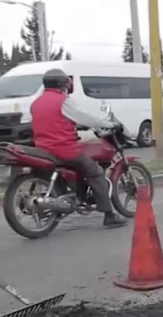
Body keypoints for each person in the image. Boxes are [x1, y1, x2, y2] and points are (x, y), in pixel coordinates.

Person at [29, 68, 126, 228]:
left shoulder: (36, 103)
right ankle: (109, 215)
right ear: (62, 84)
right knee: (96, 173)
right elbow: (84, 117)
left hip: (43, 149)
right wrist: (107, 124)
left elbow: (53, 122)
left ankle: (78, 195)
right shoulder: (62, 101)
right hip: (63, 150)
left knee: (81, 165)